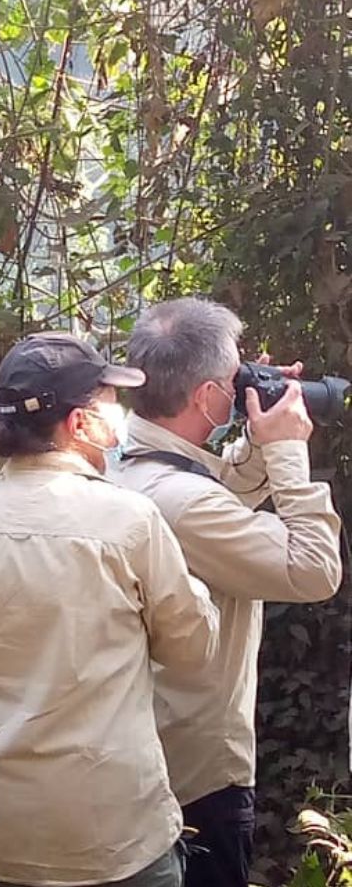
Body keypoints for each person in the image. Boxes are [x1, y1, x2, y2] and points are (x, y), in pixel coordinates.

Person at [0, 332, 220, 887]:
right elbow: (194, 652)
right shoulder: (129, 520)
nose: (120, 416)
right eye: (110, 401)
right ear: (77, 424)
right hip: (111, 832)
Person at [115, 299, 341, 887]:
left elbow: (211, 490)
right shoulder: (179, 502)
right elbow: (313, 570)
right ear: (206, 396)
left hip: (144, 759)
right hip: (195, 779)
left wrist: (253, 429)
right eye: (233, 380)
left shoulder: (122, 462)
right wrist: (289, 449)